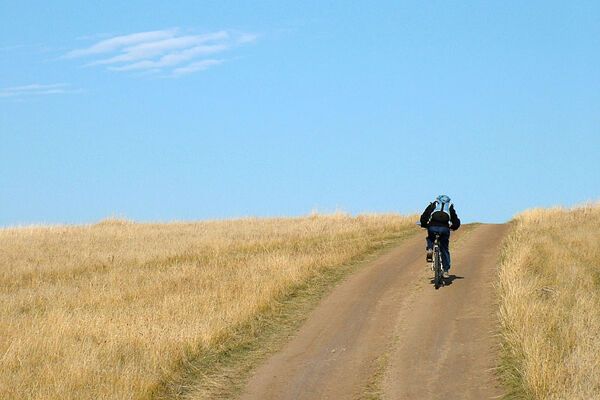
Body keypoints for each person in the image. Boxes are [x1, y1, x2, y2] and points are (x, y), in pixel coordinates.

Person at [419, 195, 461, 278]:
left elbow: (424, 217)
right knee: (444, 248)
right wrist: (452, 227)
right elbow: (456, 222)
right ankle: (445, 271)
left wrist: (424, 224)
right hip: (445, 229)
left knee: (430, 238)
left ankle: (430, 248)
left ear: (438, 200)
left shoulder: (433, 205)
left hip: (432, 227)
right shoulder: (449, 207)